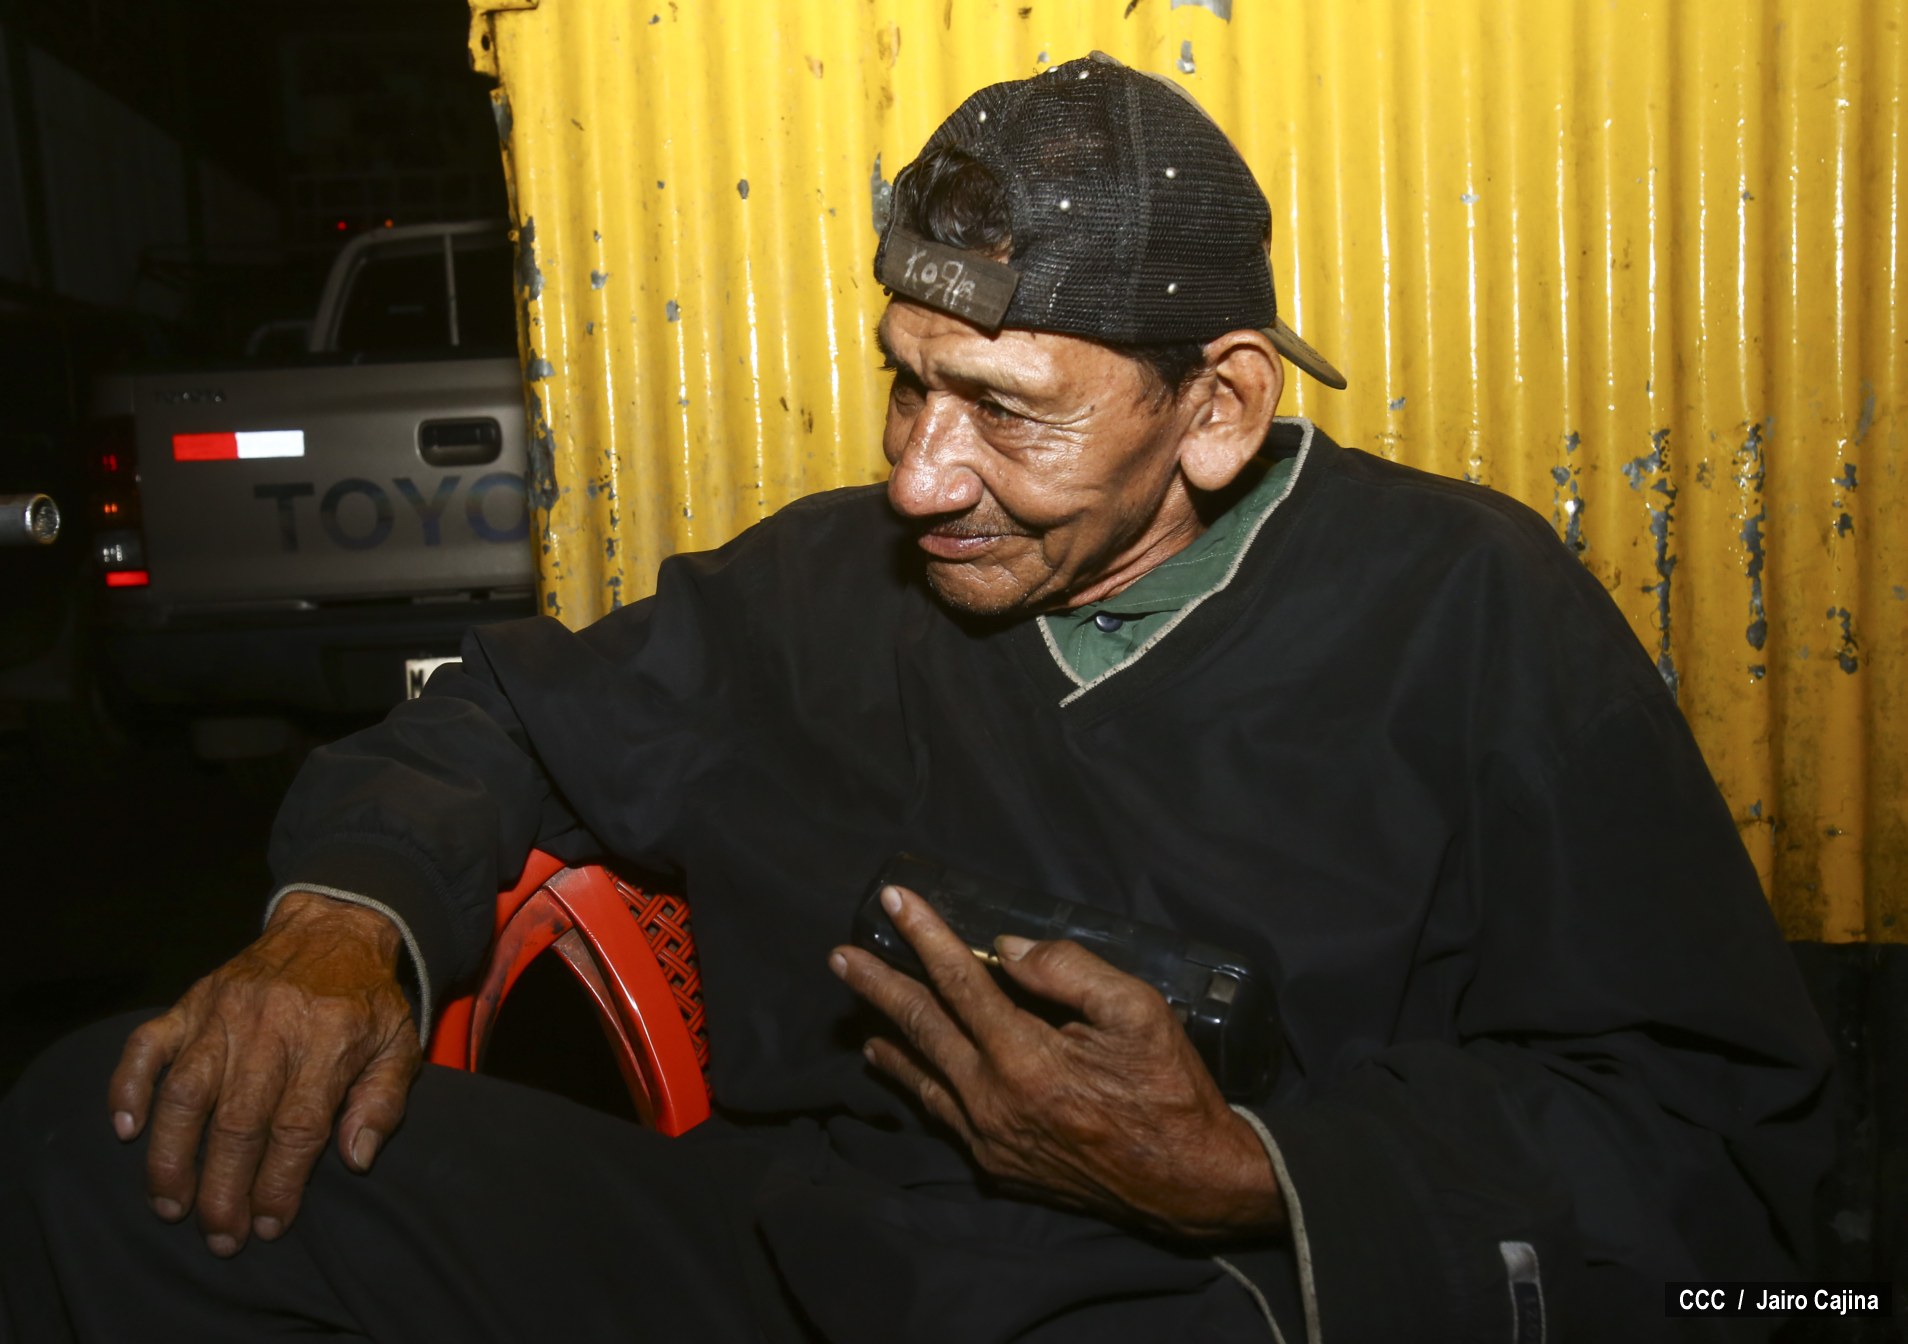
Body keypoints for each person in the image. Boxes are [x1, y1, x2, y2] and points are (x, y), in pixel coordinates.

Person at [1, 54, 1831, 1343]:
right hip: (801, 1261)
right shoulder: (823, 589)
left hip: (1204, 1298)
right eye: (907, 381)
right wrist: (341, 926)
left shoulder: (1469, 608)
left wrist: (1248, 1168)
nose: (920, 476)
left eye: (1008, 411)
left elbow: (1706, 1137)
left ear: (1218, 408)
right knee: (106, 1137)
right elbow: (500, 716)